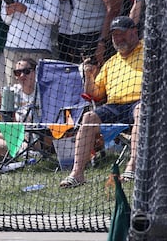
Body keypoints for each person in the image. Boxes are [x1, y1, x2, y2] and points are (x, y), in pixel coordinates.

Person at [59, 16, 143, 188]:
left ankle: (132, 166)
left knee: (141, 110)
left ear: (134, 32)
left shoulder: (148, 52)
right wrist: (89, 76)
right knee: (89, 117)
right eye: (114, 35)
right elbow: (95, 95)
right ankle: (77, 173)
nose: (118, 39)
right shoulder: (111, 62)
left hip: (139, 103)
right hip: (114, 107)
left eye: (122, 34)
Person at [0, 58, 39, 161]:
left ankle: (26, 153)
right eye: (17, 72)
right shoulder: (12, 92)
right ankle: (25, 154)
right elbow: (8, 123)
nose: (22, 76)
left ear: (35, 72)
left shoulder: (42, 92)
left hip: (39, 136)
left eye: (26, 71)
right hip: (20, 135)